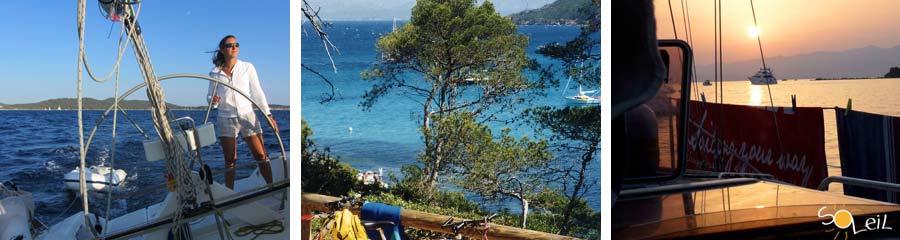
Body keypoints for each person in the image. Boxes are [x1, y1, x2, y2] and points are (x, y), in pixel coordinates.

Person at [207, 35, 278, 189]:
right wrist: (213, 102)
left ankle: (272, 188)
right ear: (222, 49)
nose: (234, 47)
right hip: (226, 118)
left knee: (260, 155)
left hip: (247, 115)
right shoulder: (215, 73)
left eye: (236, 44)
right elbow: (210, 97)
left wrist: (268, 115)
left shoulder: (247, 67)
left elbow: (257, 92)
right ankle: (229, 194)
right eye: (230, 45)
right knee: (230, 160)